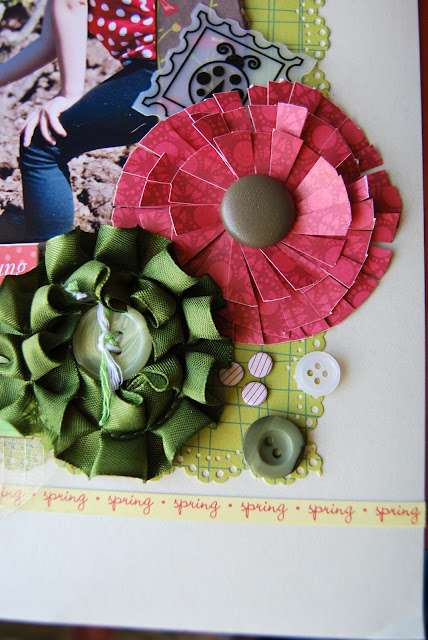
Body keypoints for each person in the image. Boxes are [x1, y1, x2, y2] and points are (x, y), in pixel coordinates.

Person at [0, 0, 158, 243]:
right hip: (204, 58)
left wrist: (69, 94)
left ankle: (55, 262)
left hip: (166, 71)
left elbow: (72, 3)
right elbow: (49, 43)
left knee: (43, 142)